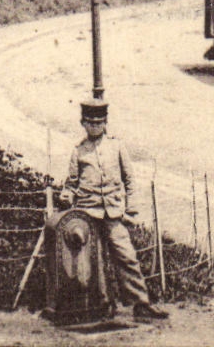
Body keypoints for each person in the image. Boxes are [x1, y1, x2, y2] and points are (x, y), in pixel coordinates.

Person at [58, 99, 169, 323]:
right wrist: (66, 195)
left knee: (126, 256)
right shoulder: (79, 151)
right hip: (88, 214)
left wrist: (131, 206)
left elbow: (129, 179)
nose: (94, 126)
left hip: (114, 213)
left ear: (106, 123)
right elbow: (71, 183)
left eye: (99, 122)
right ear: (83, 123)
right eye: (90, 122)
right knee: (95, 261)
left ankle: (141, 304)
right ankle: (104, 305)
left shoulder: (117, 147)